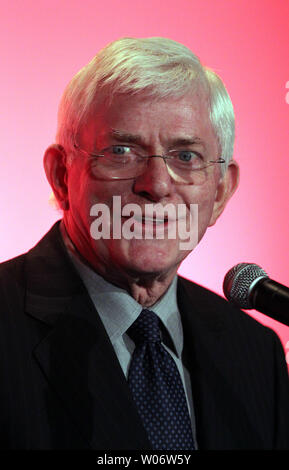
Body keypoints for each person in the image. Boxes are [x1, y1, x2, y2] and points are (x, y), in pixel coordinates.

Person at [0, 37, 288, 451]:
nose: (155, 185)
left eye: (186, 156)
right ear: (62, 175)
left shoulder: (257, 354)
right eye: (121, 151)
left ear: (221, 191)